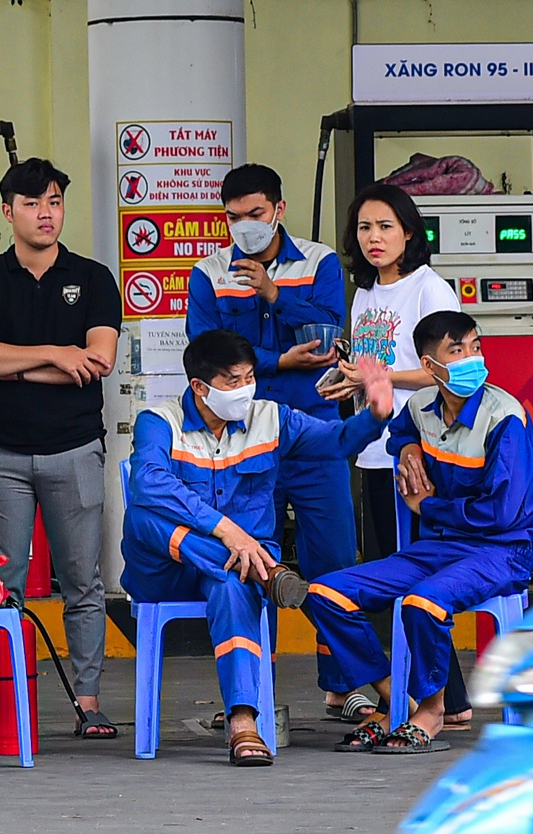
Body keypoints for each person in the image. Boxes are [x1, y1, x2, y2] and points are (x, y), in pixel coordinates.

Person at [120, 330, 395, 766]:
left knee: (230, 583)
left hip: (236, 570)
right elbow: (149, 481)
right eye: (232, 381)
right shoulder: (160, 421)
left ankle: (243, 724)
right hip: (168, 570)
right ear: (199, 387)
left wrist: (376, 414)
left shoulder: (271, 418)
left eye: (249, 377)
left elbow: (336, 442)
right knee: (143, 516)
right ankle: (270, 574)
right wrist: (225, 530)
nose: (245, 389)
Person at [307, 310, 533, 755]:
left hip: (503, 547)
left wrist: (429, 506)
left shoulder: (504, 418)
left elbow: (501, 513)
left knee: (422, 603)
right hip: (441, 545)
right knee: (325, 594)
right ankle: (394, 696)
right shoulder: (421, 407)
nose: (471, 359)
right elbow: (399, 431)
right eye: (456, 351)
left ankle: (432, 711)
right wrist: (408, 449)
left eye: (475, 347)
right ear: (430, 366)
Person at [0, 158, 122, 741]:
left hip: (74, 449)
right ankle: (8, 706)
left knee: (83, 581)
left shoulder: (95, 277)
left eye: (53, 201)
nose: (44, 213)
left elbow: (97, 362)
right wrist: (54, 352)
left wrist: (16, 365)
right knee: (5, 587)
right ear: (8, 212)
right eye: (31, 203)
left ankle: (89, 703)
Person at [185, 163, 353, 719]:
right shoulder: (208, 274)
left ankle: (343, 683)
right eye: (233, 217)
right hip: (243, 446)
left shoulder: (320, 260)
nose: (244, 226)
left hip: (312, 435)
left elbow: (331, 329)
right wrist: (279, 359)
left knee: (332, 560)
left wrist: (275, 293)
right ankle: (257, 695)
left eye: (254, 214)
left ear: (278, 210)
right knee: (255, 561)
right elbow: (207, 350)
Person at [319, 181, 463, 724]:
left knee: (422, 577)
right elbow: (371, 375)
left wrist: (374, 374)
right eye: (364, 228)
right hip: (375, 450)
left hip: (419, 452)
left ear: (409, 233)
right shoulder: (365, 296)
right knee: (396, 574)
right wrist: (348, 381)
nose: (374, 238)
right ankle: (446, 698)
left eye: (385, 226)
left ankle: (445, 700)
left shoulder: (430, 289)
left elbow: (446, 371)